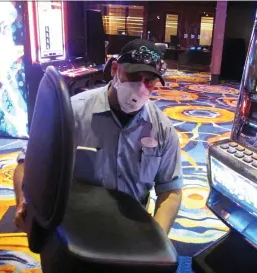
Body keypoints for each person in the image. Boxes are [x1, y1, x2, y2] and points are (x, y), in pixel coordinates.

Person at [13, 39, 183, 234]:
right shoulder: (72, 112)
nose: (141, 88)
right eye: (134, 75)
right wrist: (23, 201)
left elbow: (171, 189)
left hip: (132, 226)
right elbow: (27, 161)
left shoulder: (162, 129)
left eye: (149, 81)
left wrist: (157, 239)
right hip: (76, 224)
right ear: (115, 69)